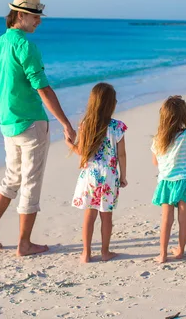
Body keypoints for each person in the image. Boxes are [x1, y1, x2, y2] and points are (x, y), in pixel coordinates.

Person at [0, 0, 76, 256]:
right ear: (20, 15)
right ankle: (24, 243)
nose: (39, 22)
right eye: (35, 17)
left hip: (7, 123)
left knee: (11, 178)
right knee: (30, 183)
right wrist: (66, 124)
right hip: (31, 123)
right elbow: (42, 88)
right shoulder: (25, 45)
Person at [66, 83, 128, 263]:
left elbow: (82, 152)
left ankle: (86, 253)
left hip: (90, 175)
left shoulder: (86, 124)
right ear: (111, 104)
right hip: (109, 175)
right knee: (106, 216)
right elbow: (121, 154)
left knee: (89, 214)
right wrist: (123, 176)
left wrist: (69, 144)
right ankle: (105, 252)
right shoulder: (118, 127)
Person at [151, 96, 186, 264]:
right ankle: (180, 250)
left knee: (166, 219)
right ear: (183, 115)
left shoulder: (158, 138)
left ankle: (163, 254)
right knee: (183, 218)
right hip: (184, 181)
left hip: (166, 182)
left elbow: (155, 162)